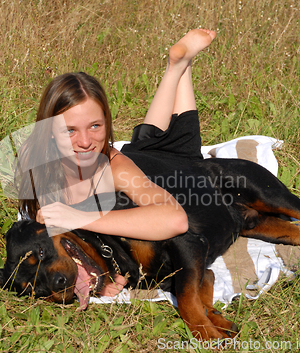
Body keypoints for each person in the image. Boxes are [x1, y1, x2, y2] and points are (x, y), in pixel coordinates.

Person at [16, 29, 217, 241]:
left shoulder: (114, 168)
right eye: (70, 130)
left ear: (106, 121)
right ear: (49, 132)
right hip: (139, 154)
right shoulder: (34, 160)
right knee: (144, 142)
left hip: (166, 168)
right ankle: (176, 66)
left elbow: (176, 220)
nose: (85, 143)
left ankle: (182, 66)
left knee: (184, 150)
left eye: (95, 126)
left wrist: (79, 218)